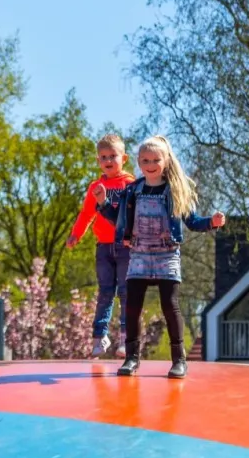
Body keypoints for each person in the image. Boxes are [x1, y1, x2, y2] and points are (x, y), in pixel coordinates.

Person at [90, 135, 225, 379]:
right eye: (145, 160)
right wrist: (102, 203)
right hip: (139, 254)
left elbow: (193, 222)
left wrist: (212, 223)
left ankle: (179, 360)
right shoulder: (133, 190)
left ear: (166, 161)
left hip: (166, 254)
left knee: (170, 306)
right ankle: (132, 357)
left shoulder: (174, 191)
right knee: (132, 306)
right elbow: (118, 219)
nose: (150, 164)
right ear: (139, 163)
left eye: (155, 160)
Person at [65, 133, 135, 357]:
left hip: (125, 246)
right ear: (98, 161)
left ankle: (126, 337)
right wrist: (76, 234)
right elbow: (87, 213)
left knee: (126, 292)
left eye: (112, 156)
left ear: (123, 158)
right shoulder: (95, 187)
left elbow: (137, 214)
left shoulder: (130, 184)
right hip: (103, 247)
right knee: (105, 291)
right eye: (103, 157)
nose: (108, 161)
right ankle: (99, 337)